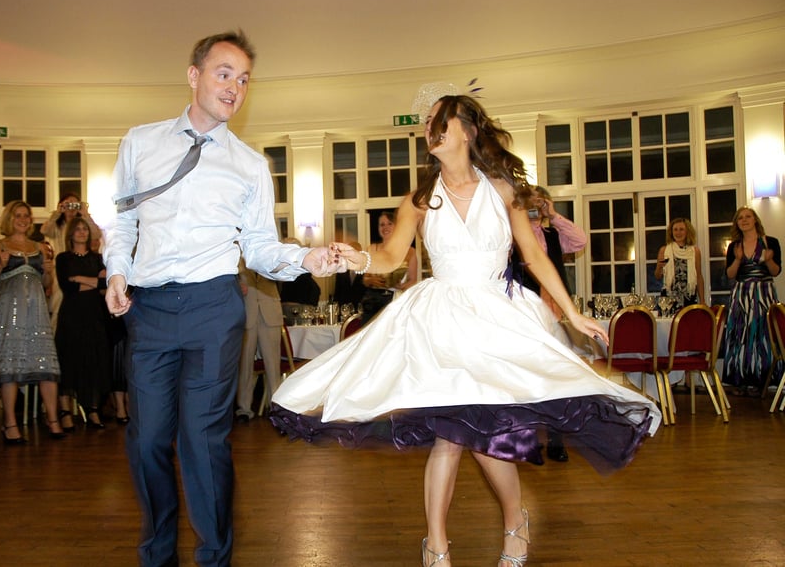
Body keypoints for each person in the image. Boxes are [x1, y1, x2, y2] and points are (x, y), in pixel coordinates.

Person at [270, 94, 661, 567]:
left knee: (483, 433)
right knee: (451, 435)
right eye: (427, 121)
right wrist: (360, 257)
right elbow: (390, 258)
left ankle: (515, 520)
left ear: (468, 131)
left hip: (494, 321)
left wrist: (572, 313)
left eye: (439, 119)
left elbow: (534, 257)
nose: (429, 127)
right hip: (440, 322)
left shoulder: (502, 190)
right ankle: (436, 544)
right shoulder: (420, 199)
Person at [103, 30, 340, 567]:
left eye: (245, 79)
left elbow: (259, 248)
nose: (235, 87)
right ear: (194, 76)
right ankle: (157, 554)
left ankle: (215, 558)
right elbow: (123, 221)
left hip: (213, 307)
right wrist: (117, 272)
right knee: (146, 441)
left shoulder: (250, 165)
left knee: (203, 440)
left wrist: (305, 258)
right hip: (149, 309)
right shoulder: (140, 142)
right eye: (224, 73)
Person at [511, 185, 587, 463]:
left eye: (538, 203)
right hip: (522, 316)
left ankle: (556, 440)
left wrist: (553, 215)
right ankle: (528, 439)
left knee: (556, 378)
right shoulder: (512, 236)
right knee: (526, 379)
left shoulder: (553, 235)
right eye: (529, 203)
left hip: (553, 315)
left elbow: (579, 241)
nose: (534, 208)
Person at [0, 200, 64, 443]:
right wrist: (1, 265)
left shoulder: (40, 247)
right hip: (8, 312)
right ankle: (10, 424)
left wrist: (49, 272)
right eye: (18, 215)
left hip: (36, 312)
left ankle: (53, 420)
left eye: (26, 215)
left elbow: (47, 285)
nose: (23, 219)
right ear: (9, 218)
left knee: (46, 364)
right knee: (10, 366)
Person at [55, 217, 112, 430]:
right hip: (71, 315)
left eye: (84, 229)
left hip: (94, 314)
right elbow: (68, 287)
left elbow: (105, 284)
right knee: (69, 359)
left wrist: (79, 278)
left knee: (94, 360)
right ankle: (65, 412)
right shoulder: (63, 258)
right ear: (71, 234)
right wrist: (93, 282)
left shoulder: (98, 258)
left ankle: (93, 409)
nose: (81, 232)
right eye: (77, 229)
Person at [722, 207, 781, 396]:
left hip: (764, 293)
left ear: (755, 220)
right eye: (740, 218)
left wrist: (768, 260)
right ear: (737, 223)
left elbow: (776, 271)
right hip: (741, 294)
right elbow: (730, 274)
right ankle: (740, 380)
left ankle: (762, 380)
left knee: (763, 334)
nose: (744, 220)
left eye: (748, 217)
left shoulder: (771, 242)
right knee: (740, 334)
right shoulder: (734, 246)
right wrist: (738, 259)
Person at [40, 191, 103, 331]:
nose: (71, 208)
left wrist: (85, 214)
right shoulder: (57, 226)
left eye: (75, 204)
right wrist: (57, 213)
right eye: (68, 204)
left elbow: (96, 234)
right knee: (59, 305)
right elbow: (44, 230)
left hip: (80, 266)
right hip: (61, 268)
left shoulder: (83, 225)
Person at [235, 260, 283, 422]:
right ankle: (244, 409)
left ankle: (275, 407)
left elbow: (283, 274)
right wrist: (236, 286)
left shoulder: (270, 252)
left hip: (270, 309)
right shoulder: (237, 253)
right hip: (246, 310)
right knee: (245, 363)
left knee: (273, 363)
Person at [359, 211, 418, 325]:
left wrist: (401, 286)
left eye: (389, 223)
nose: (385, 227)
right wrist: (370, 280)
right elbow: (365, 279)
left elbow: (413, 280)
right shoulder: (371, 249)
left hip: (395, 300)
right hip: (372, 300)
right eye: (382, 224)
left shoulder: (410, 251)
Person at [653, 217, 705, 312]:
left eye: (681, 229)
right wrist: (659, 267)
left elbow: (699, 276)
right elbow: (657, 276)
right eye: (675, 230)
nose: (678, 233)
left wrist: (702, 300)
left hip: (689, 297)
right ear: (671, 232)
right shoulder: (664, 250)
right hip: (669, 299)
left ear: (687, 232)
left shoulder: (695, 251)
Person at [333, 241, 366, 309]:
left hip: (360, 309)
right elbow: (337, 291)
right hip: (343, 309)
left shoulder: (366, 270)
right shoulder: (341, 269)